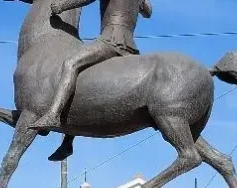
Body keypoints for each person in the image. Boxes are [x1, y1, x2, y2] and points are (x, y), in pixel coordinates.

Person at [29, 0, 153, 138]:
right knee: (86, 77)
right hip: (131, 47)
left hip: (111, 41)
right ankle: (67, 143)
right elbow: (148, 13)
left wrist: (62, 6)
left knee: (71, 64)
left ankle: (53, 114)